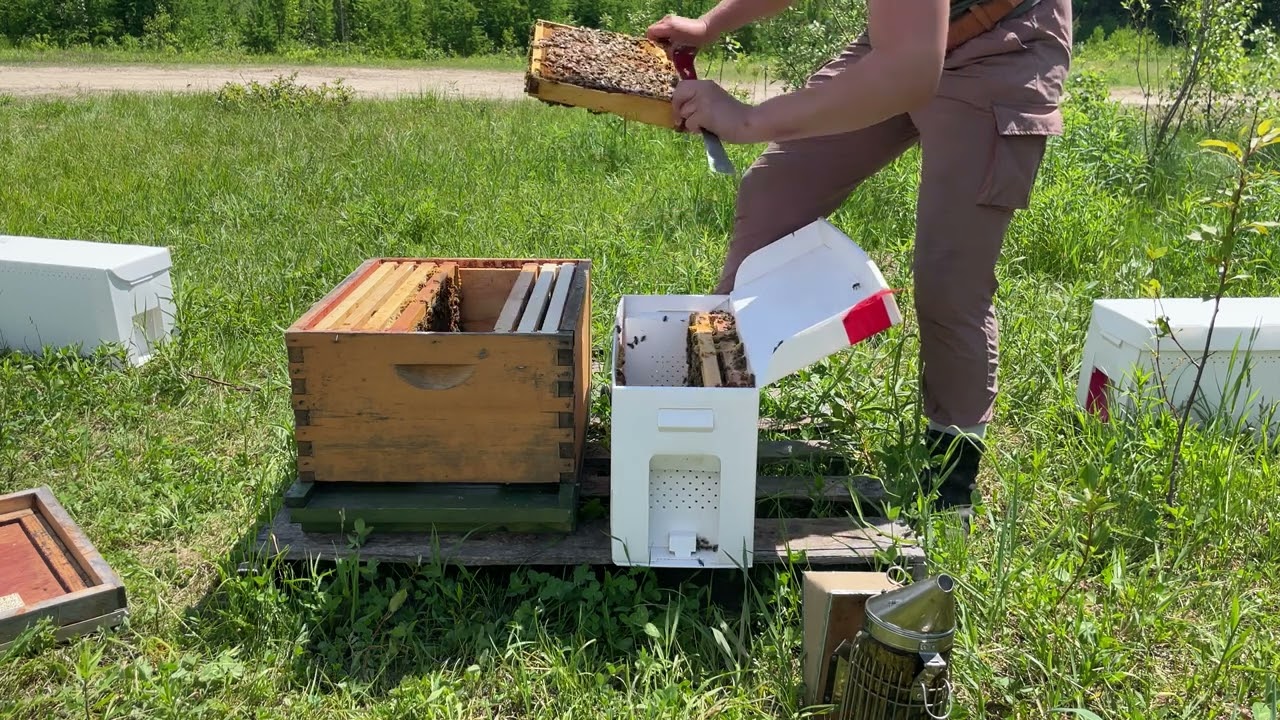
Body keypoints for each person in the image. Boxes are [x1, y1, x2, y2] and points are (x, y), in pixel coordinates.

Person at [647, 0, 1072, 526]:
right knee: (776, 188)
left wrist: (747, 119)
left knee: (949, 278)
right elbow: (905, 57)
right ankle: (710, 402)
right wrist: (711, 24)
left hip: (1000, 43)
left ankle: (950, 486)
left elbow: (910, 74)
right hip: (905, 38)